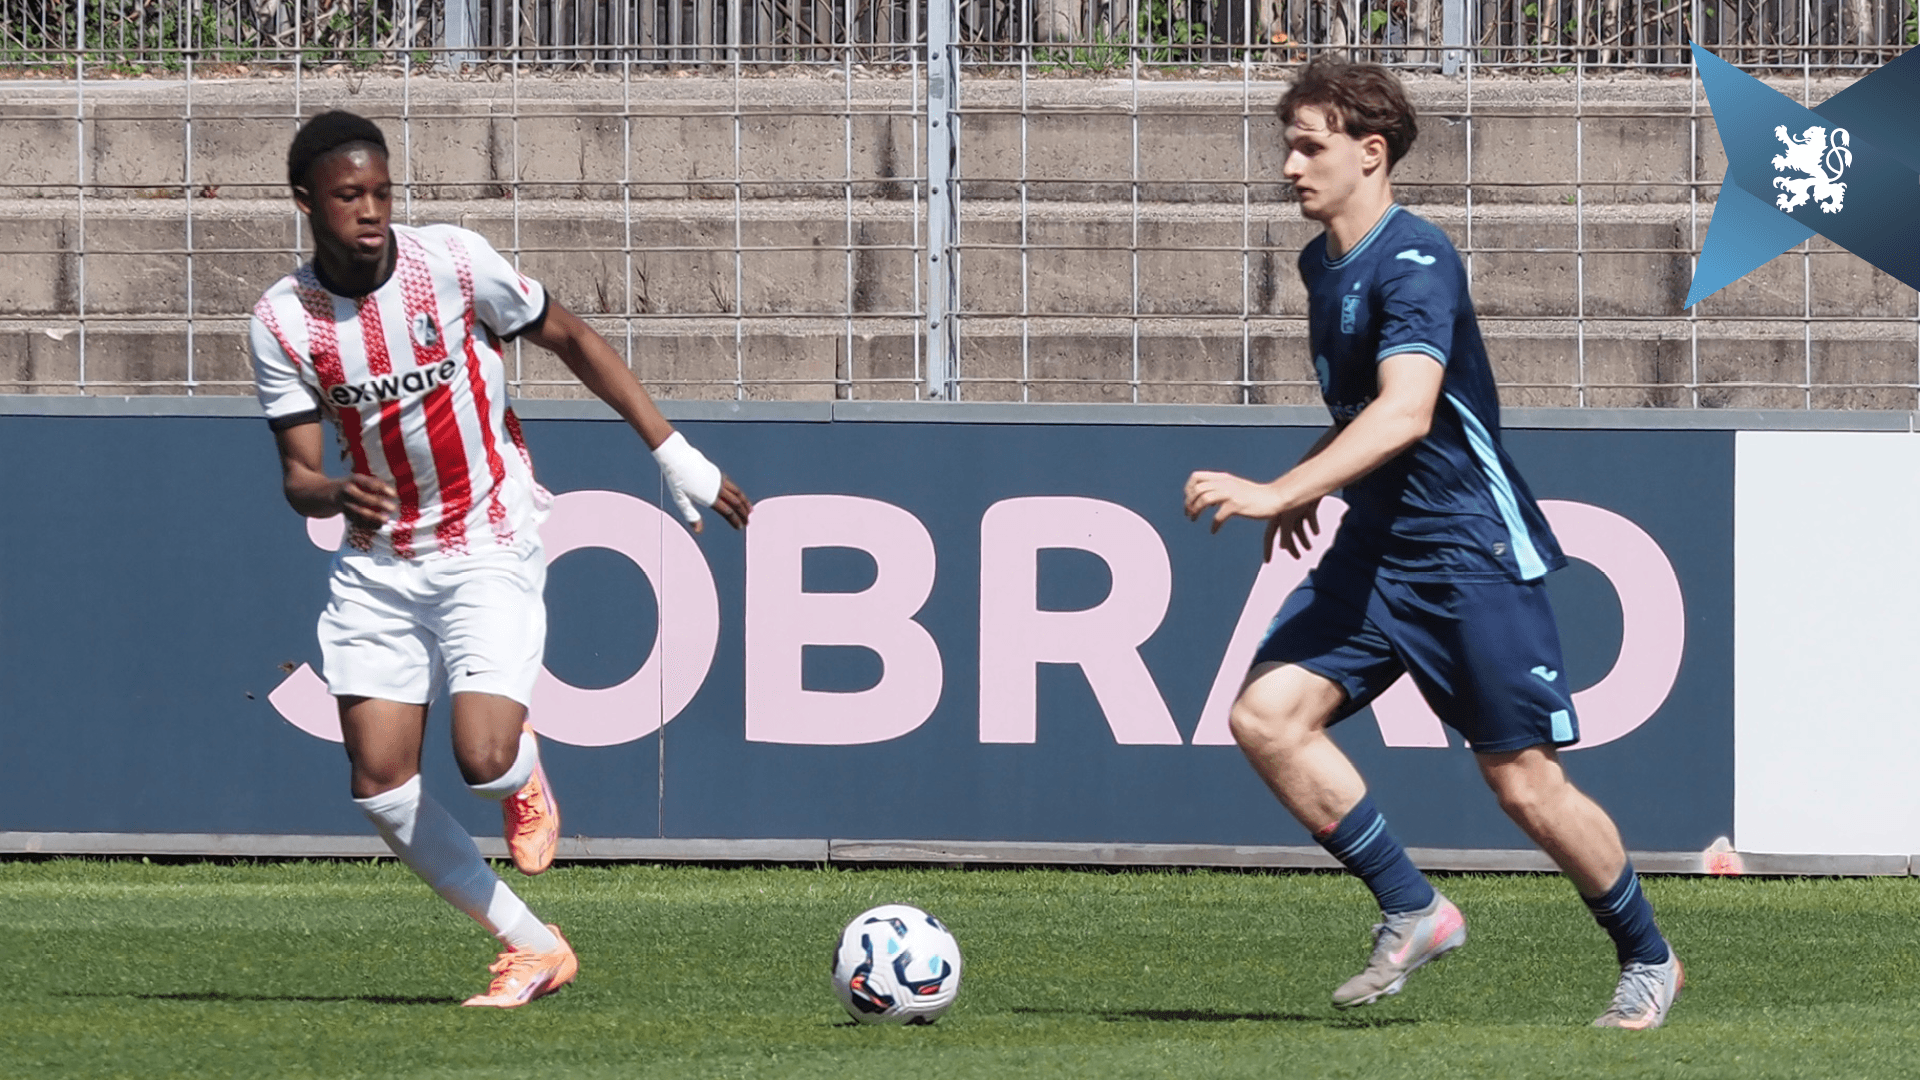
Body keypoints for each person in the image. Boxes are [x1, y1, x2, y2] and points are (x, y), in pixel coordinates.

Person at [1183, 61, 1680, 1029]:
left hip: (1463, 555)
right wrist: (1315, 477)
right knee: (1266, 717)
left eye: (1309, 146)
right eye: (1287, 144)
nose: (1289, 165)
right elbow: (1367, 412)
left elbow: (1409, 413)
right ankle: (1413, 906)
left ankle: (1650, 957)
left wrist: (1281, 487)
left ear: (1372, 155)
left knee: (1524, 786)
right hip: (1376, 553)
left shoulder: (1418, 261)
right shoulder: (1320, 265)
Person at [249, 110, 752, 1008]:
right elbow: (298, 473)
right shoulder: (284, 321)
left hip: (487, 535)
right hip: (379, 564)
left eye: (380, 191)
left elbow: (574, 339)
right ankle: (532, 947)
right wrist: (331, 494)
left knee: (482, 759)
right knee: (379, 786)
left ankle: (522, 779)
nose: (370, 211)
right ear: (305, 204)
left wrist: (672, 451)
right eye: (347, 196)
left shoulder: (451, 264)